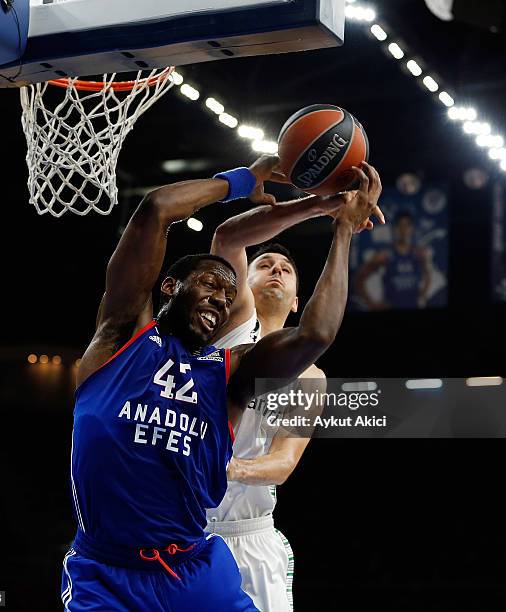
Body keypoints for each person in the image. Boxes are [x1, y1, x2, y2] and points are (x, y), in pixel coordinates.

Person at [61, 156, 383, 610]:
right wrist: (241, 181)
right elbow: (156, 208)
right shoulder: (118, 340)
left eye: (230, 295)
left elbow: (317, 334)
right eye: (212, 283)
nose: (221, 297)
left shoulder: (231, 374)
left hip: (198, 567)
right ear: (170, 287)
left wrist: (344, 230)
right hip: (109, 571)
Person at [207, 190, 383, 610]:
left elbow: (284, 463)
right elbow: (227, 239)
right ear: (240, 285)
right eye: (264, 265)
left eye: (286, 269)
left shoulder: (310, 377)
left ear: (298, 300)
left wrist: (223, 467)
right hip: (182, 530)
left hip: (250, 537)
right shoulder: (227, 329)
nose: (276, 270)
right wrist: (319, 206)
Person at [354, 210, 431, 309]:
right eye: (400, 225)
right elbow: (358, 280)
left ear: (411, 229)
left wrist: (422, 295)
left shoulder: (418, 254)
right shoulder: (385, 255)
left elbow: (428, 276)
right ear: (394, 229)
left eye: (407, 225)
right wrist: (372, 304)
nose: (403, 230)